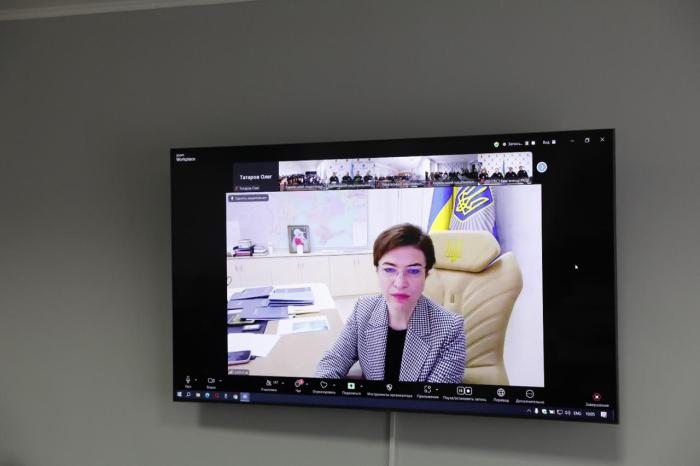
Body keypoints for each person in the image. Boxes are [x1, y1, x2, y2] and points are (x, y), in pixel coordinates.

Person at [316, 224, 465, 383]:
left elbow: (435, 396)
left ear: (426, 274)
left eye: (413, 271)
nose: (400, 283)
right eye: (389, 270)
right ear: (377, 271)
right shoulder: (363, 309)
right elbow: (333, 361)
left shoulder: (450, 329)